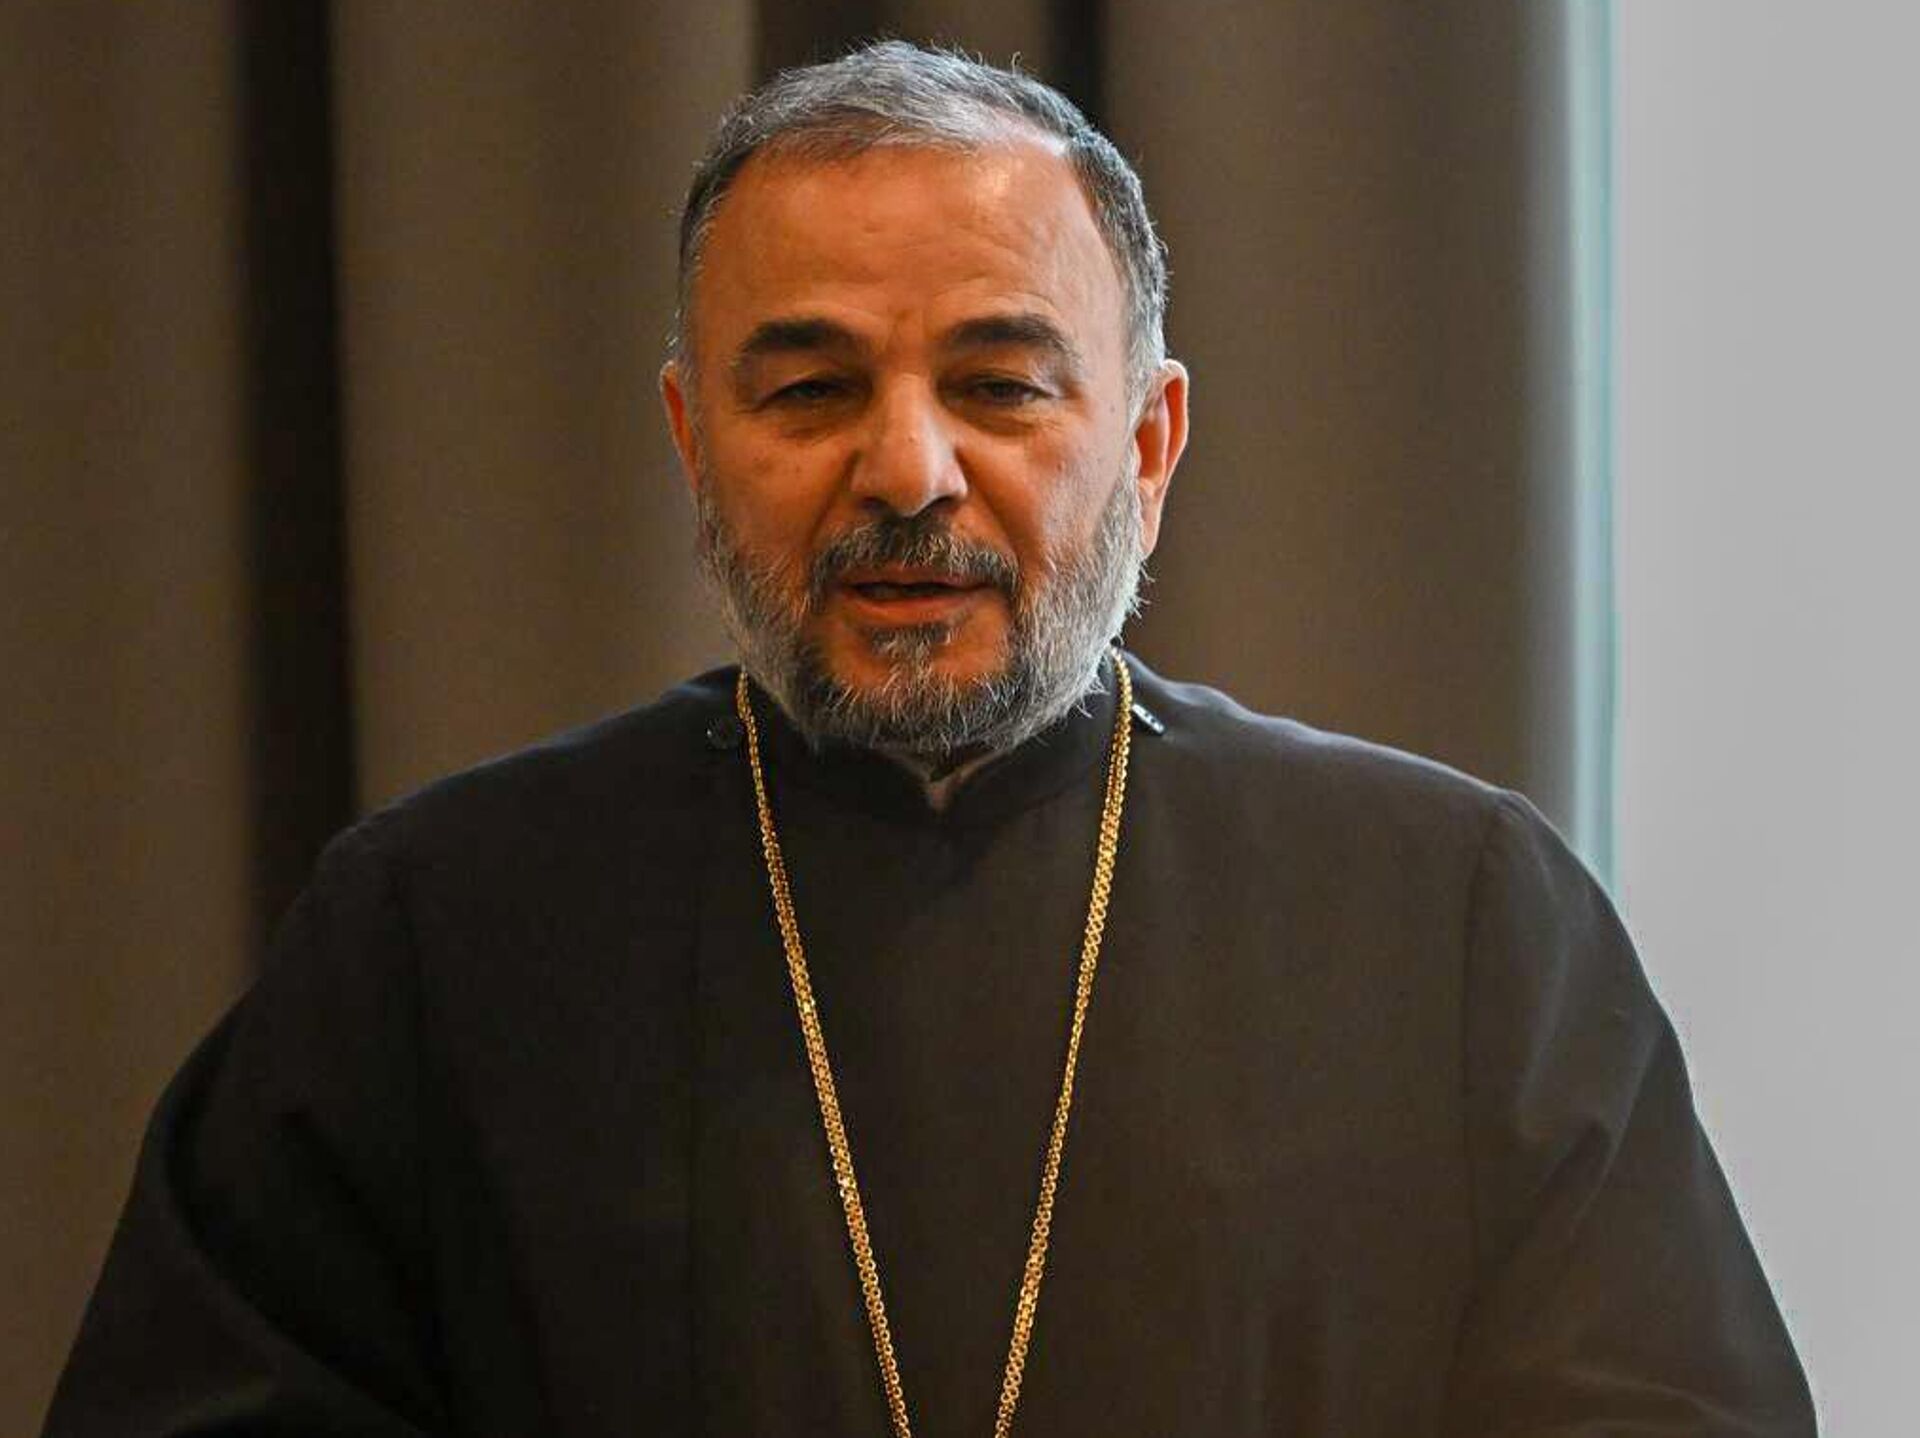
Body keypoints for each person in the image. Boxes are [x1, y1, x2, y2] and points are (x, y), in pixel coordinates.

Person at [46, 41, 1813, 1438]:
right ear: (692, 439)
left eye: (1001, 382)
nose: (907, 470)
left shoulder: (1455, 919)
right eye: (811, 387)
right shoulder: (437, 932)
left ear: (1147, 443)